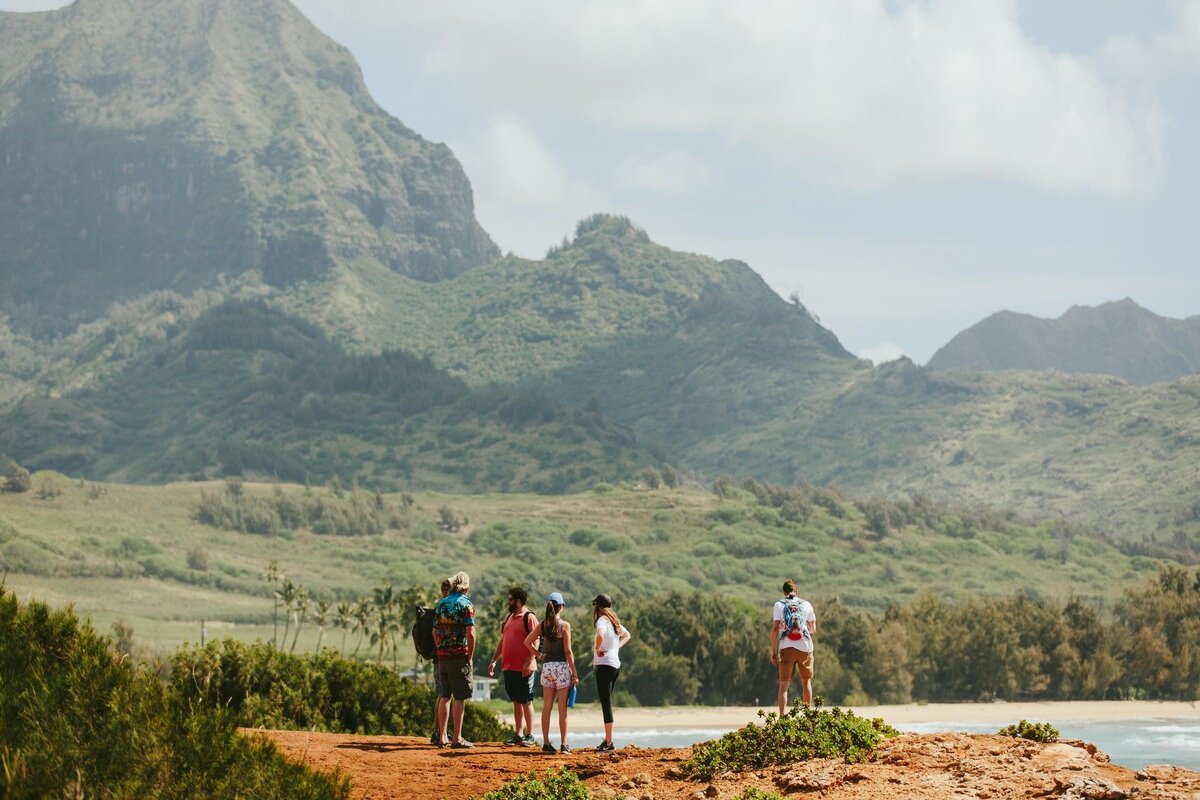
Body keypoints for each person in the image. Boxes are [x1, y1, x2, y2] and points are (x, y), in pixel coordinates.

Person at [524, 591, 578, 754]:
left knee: (546, 707)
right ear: (561, 607)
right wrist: (574, 673)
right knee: (562, 709)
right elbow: (568, 651)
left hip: (547, 668)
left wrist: (539, 655)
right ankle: (564, 744)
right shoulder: (565, 625)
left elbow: (527, 642)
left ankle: (546, 743)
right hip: (561, 668)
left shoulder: (543, 625)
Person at [488, 586, 539, 746]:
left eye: (510, 599)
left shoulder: (529, 617)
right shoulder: (509, 617)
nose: (507, 602)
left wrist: (529, 661)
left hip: (524, 668)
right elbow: (503, 641)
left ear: (518, 601)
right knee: (516, 701)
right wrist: (494, 660)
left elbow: (536, 640)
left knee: (526, 700)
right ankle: (518, 734)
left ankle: (529, 735)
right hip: (509, 667)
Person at [433, 571, 476, 748]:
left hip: (443, 656)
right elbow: (471, 633)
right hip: (459, 655)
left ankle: (442, 736)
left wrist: (440, 648)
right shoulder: (466, 604)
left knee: (444, 695)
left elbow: (434, 631)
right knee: (460, 697)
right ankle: (457, 738)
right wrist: (470, 656)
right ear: (466, 587)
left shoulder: (441, 603)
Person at [591, 593, 631, 752]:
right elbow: (627, 635)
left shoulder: (601, 620)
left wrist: (598, 649)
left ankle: (609, 743)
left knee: (606, 704)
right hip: (615, 666)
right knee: (607, 702)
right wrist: (616, 648)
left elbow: (600, 635)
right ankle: (607, 740)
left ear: (598, 607)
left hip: (605, 666)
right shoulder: (614, 621)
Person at [770, 579, 816, 714]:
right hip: (805, 647)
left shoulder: (779, 604)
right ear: (796, 591)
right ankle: (807, 716)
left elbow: (774, 629)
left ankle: (783, 719)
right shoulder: (806, 604)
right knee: (806, 682)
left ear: (784, 592)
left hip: (786, 646)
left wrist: (772, 651)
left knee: (784, 684)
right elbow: (813, 629)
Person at [431, 578, 452, 746]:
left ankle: (438, 731)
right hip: (443, 656)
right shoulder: (445, 606)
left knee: (442, 693)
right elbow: (435, 632)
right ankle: (439, 732)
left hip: (439, 655)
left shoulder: (440, 606)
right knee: (444, 694)